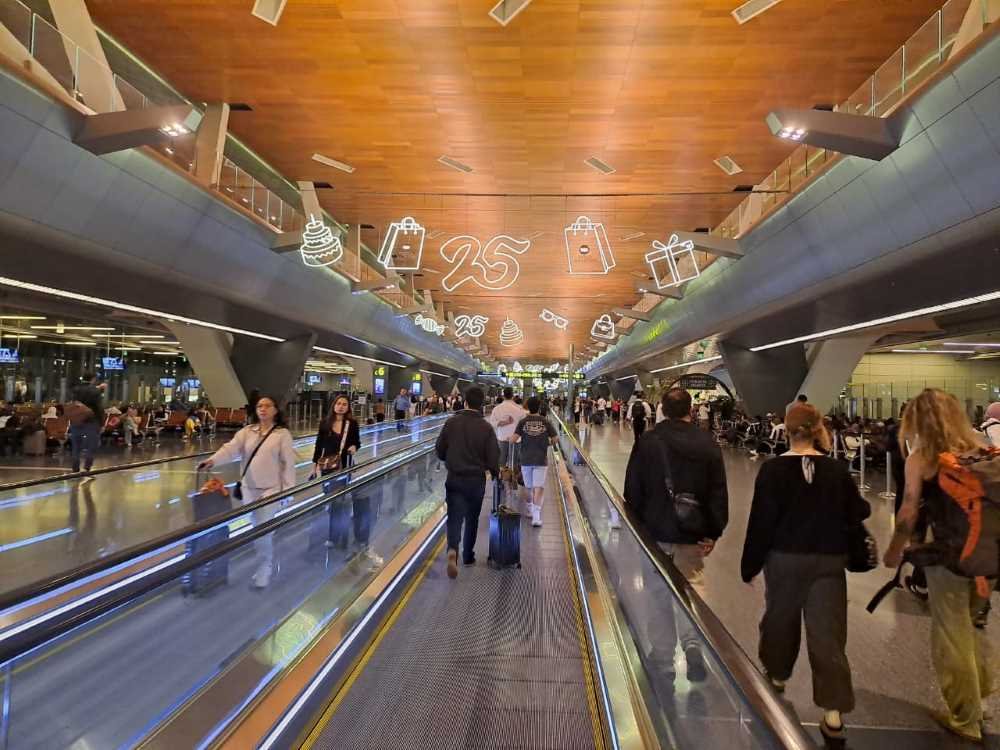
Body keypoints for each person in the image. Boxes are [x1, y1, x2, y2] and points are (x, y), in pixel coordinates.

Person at [741, 403, 870, 742]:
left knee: (779, 619)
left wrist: (750, 565)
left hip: (785, 559)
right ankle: (833, 713)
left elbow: (761, 522)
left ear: (786, 430)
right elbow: (859, 510)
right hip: (829, 560)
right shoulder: (836, 470)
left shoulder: (772, 470)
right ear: (818, 429)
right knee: (827, 634)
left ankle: (776, 678)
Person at [884, 389, 996, 743]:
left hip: (949, 557)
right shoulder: (983, 448)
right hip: (989, 556)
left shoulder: (923, 458)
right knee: (974, 625)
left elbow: (908, 511)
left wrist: (894, 550)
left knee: (951, 632)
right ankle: (981, 699)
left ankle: (965, 718)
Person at [624, 388, 728, 684]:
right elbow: (717, 491)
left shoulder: (648, 441)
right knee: (692, 586)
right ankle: (694, 643)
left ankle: (663, 659)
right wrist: (713, 531)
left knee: (657, 592)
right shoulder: (707, 443)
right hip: (691, 532)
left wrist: (638, 523)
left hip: (655, 531)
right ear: (690, 409)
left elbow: (633, 487)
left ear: (663, 409)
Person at [199, 395, 298, 589]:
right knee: (256, 529)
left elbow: (288, 464)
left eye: (267, 406)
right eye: (260, 406)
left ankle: (264, 568)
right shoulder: (247, 432)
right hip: (248, 490)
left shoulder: (282, 434)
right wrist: (212, 460)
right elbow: (230, 449)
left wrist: (287, 492)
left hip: (271, 490)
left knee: (262, 532)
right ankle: (263, 560)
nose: (263, 409)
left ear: (275, 410)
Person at [434, 386, 499, 579]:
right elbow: (493, 456)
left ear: (465, 402)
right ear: (482, 404)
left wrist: (449, 458)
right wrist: (495, 473)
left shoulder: (451, 422)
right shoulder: (486, 427)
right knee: (472, 518)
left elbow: (440, 449)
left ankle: (452, 549)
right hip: (476, 480)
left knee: (454, 517)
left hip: (455, 477)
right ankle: (468, 556)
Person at [512, 396, 558, 527]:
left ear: (527, 407)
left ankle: (529, 509)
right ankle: (536, 517)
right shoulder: (545, 421)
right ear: (539, 407)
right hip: (541, 459)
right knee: (539, 487)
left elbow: (514, 439)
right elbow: (555, 439)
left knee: (528, 486)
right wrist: (547, 443)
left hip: (526, 459)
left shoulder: (522, 422)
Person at [311, 395, 361, 478]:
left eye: (344, 404)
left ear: (348, 408)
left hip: (344, 463)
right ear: (334, 405)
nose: (341, 406)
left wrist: (354, 447)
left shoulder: (352, 424)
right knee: (327, 485)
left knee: (343, 485)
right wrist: (314, 465)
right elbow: (319, 445)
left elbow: (357, 442)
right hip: (327, 463)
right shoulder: (325, 423)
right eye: (338, 403)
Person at [69, 373, 105, 475]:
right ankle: (87, 466)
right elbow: (99, 408)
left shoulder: (75, 390)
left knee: (76, 445)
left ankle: (75, 466)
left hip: (77, 420)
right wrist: (101, 423)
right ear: (93, 379)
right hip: (91, 421)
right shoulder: (95, 391)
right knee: (91, 445)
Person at [488, 386, 526, 473]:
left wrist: (505, 422)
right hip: (516, 439)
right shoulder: (519, 409)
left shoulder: (497, 409)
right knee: (514, 462)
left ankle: (502, 477)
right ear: (512, 396)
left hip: (502, 438)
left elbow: (492, 423)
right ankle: (513, 477)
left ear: (503, 395)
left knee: (502, 462)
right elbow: (523, 425)